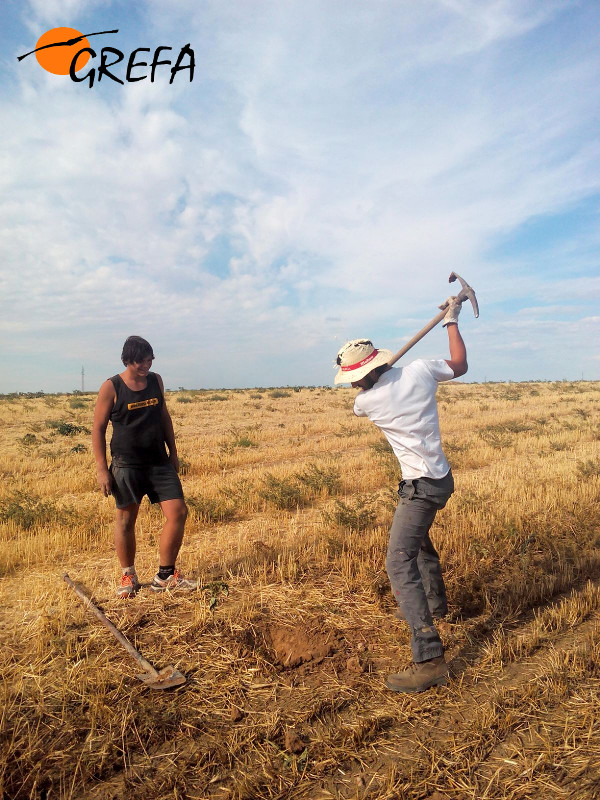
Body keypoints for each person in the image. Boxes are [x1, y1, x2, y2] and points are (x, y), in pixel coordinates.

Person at [334, 297, 467, 692]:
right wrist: (451, 321)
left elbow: (367, 392)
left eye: (352, 379)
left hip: (420, 487)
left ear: (362, 376)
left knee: (397, 560)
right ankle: (435, 605)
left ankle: (429, 657)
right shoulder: (421, 371)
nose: (352, 386)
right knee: (417, 541)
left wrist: (375, 376)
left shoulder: (366, 402)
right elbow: (459, 365)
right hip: (438, 478)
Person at [92, 335, 195, 598]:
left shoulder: (155, 381)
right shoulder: (111, 387)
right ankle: (128, 574)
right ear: (128, 360)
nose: (146, 365)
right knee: (126, 520)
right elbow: (98, 429)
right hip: (127, 466)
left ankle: (165, 575)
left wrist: (173, 452)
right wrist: (102, 469)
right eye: (141, 361)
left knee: (178, 512)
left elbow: (164, 416)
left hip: (159, 462)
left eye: (150, 359)